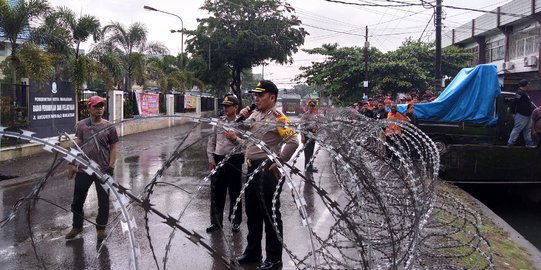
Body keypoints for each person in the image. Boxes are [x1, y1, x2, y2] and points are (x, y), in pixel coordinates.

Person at [236, 80, 299, 270]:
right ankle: (253, 252)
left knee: (270, 215)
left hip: (265, 170)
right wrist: (241, 117)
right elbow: (241, 129)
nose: (256, 98)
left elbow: (293, 141)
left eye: (260, 95)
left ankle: (274, 258)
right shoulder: (255, 114)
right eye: (255, 94)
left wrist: (278, 161)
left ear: (272, 97)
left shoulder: (278, 118)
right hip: (251, 168)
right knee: (253, 214)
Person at [66, 96, 119, 242]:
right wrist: (71, 163)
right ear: (89, 108)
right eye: (96, 106)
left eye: (101, 106)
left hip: (103, 170)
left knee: (103, 201)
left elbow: (114, 146)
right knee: (77, 200)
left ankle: (101, 229)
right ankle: (77, 226)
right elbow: (77, 144)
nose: (99, 109)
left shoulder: (109, 126)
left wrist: (111, 165)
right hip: (84, 169)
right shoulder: (82, 125)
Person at [206, 95, 244, 233]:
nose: (225, 108)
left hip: (234, 160)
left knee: (235, 193)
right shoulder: (219, 122)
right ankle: (216, 222)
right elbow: (211, 141)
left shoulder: (243, 123)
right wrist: (211, 159)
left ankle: (235, 221)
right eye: (224, 106)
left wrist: (235, 139)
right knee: (217, 192)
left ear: (236, 107)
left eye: (228, 106)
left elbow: (248, 144)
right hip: (218, 159)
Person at [508, 79, 536, 147]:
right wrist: (512, 112)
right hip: (522, 115)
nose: (528, 86)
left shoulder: (524, 93)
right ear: (525, 85)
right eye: (528, 84)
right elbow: (514, 103)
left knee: (527, 130)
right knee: (517, 129)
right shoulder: (519, 93)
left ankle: (529, 143)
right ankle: (510, 143)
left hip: (528, 115)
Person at [300, 100, 319, 172]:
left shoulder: (314, 115)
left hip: (313, 135)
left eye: (313, 106)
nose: (312, 107)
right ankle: (307, 167)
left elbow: (316, 124)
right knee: (307, 152)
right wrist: (302, 137)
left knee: (311, 152)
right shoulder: (305, 115)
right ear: (308, 106)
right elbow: (302, 126)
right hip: (306, 135)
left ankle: (310, 166)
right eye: (310, 106)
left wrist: (317, 129)